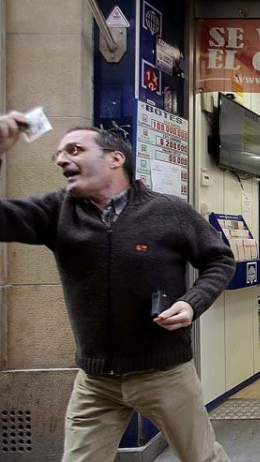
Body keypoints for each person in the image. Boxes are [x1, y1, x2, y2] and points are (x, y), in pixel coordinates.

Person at [0, 112, 235, 462]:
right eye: (59, 155)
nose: (63, 159)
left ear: (115, 158)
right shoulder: (57, 212)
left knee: (201, 458)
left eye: (75, 149)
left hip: (164, 373)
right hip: (96, 382)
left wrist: (192, 303)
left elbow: (220, 259)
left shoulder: (170, 210)